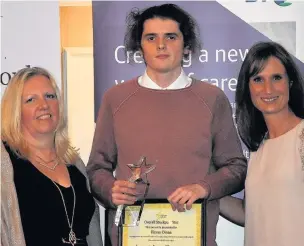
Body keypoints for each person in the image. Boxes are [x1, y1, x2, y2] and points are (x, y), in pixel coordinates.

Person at [87, 3, 247, 246]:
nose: (161, 45)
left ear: (186, 45)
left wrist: (203, 187)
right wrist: (110, 189)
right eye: (151, 37)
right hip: (133, 238)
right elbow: (97, 168)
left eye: (170, 36)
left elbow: (236, 168)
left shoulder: (212, 99)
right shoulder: (115, 99)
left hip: (194, 238)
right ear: (139, 46)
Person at [1, 67, 103, 246]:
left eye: (50, 96)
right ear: (16, 110)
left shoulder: (74, 163)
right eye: (31, 100)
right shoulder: (5, 164)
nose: (44, 105)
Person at [219, 41, 304, 246]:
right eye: (258, 79)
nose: (268, 89)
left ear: (290, 82)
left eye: (276, 78)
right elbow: (248, 213)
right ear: (248, 88)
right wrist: (204, 189)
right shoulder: (259, 149)